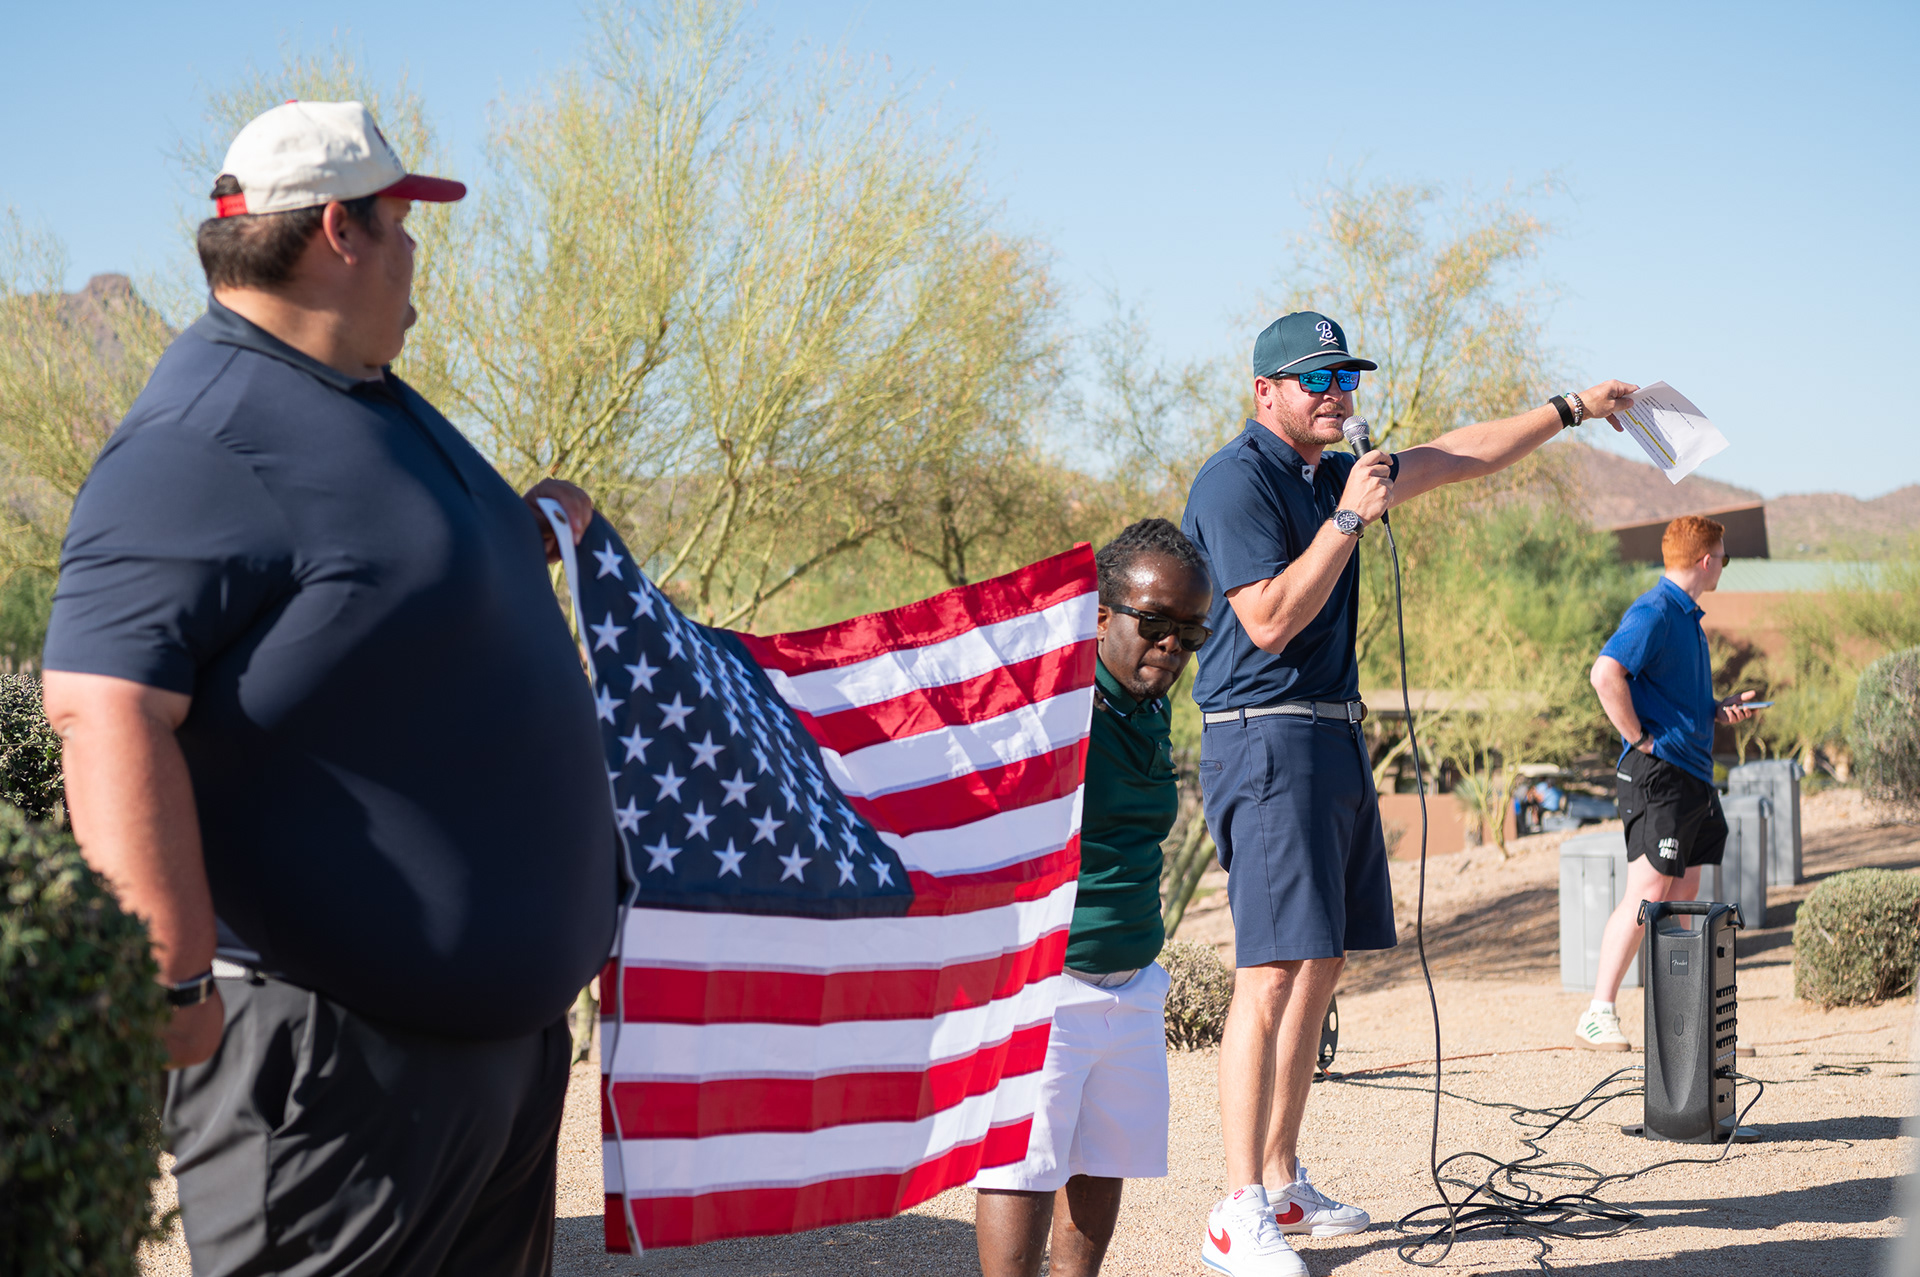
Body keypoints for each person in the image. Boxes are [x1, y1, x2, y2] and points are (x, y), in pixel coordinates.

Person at [41, 100, 617, 1276]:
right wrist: (171, 977)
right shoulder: (201, 438)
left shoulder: (364, 401)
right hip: (335, 1071)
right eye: (402, 224)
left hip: (487, 1062)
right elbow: (103, 704)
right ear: (338, 232)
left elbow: (362, 585)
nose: (417, 256)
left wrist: (522, 537)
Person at [1180, 310, 1638, 1275]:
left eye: (1345, 376)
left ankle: (1281, 1179)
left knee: (1321, 962)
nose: (1336, 393)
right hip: (1263, 740)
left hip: (1333, 738)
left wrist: (1571, 408)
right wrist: (1349, 520)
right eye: (1315, 379)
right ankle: (1235, 1209)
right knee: (1270, 971)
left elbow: (1465, 454)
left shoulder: (1339, 472)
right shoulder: (1235, 481)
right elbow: (1267, 621)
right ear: (1265, 392)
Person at [971, 518, 1213, 1277]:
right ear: (1102, 615)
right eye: (1156, 623)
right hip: (1049, 983)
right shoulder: (1052, 706)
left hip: (1133, 983)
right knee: (1023, 1165)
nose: (1171, 646)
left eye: (1191, 632)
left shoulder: (1151, 703)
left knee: (1102, 1157)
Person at [1574, 515, 1763, 1051]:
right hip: (1658, 775)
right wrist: (1639, 738)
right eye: (1723, 557)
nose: (1723, 565)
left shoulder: (1689, 621)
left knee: (1682, 897)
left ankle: (1684, 1025)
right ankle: (1597, 1013)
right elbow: (1605, 674)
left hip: (1693, 776)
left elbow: (1676, 700)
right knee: (1649, 891)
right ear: (1706, 560)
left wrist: (1717, 710)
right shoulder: (1655, 610)